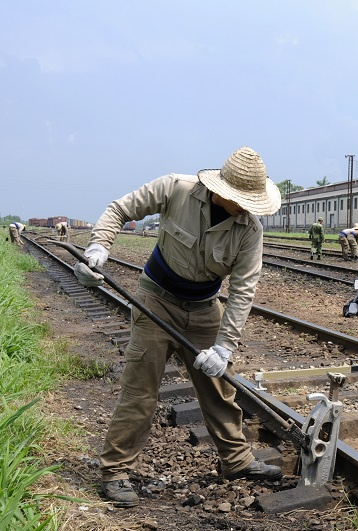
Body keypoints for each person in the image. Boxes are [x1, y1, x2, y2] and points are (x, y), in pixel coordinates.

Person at [72, 146, 284, 507]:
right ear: (221, 189)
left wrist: (224, 347)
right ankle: (116, 470)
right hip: (156, 298)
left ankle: (236, 460)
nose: (246, 208)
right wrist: (98, 248)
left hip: (204, 308)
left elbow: (243, 291)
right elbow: (119, 209)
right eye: (241, 200)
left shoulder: (250, 230)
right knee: (141, 390)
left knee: (220, 387)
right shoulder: (175, 188)